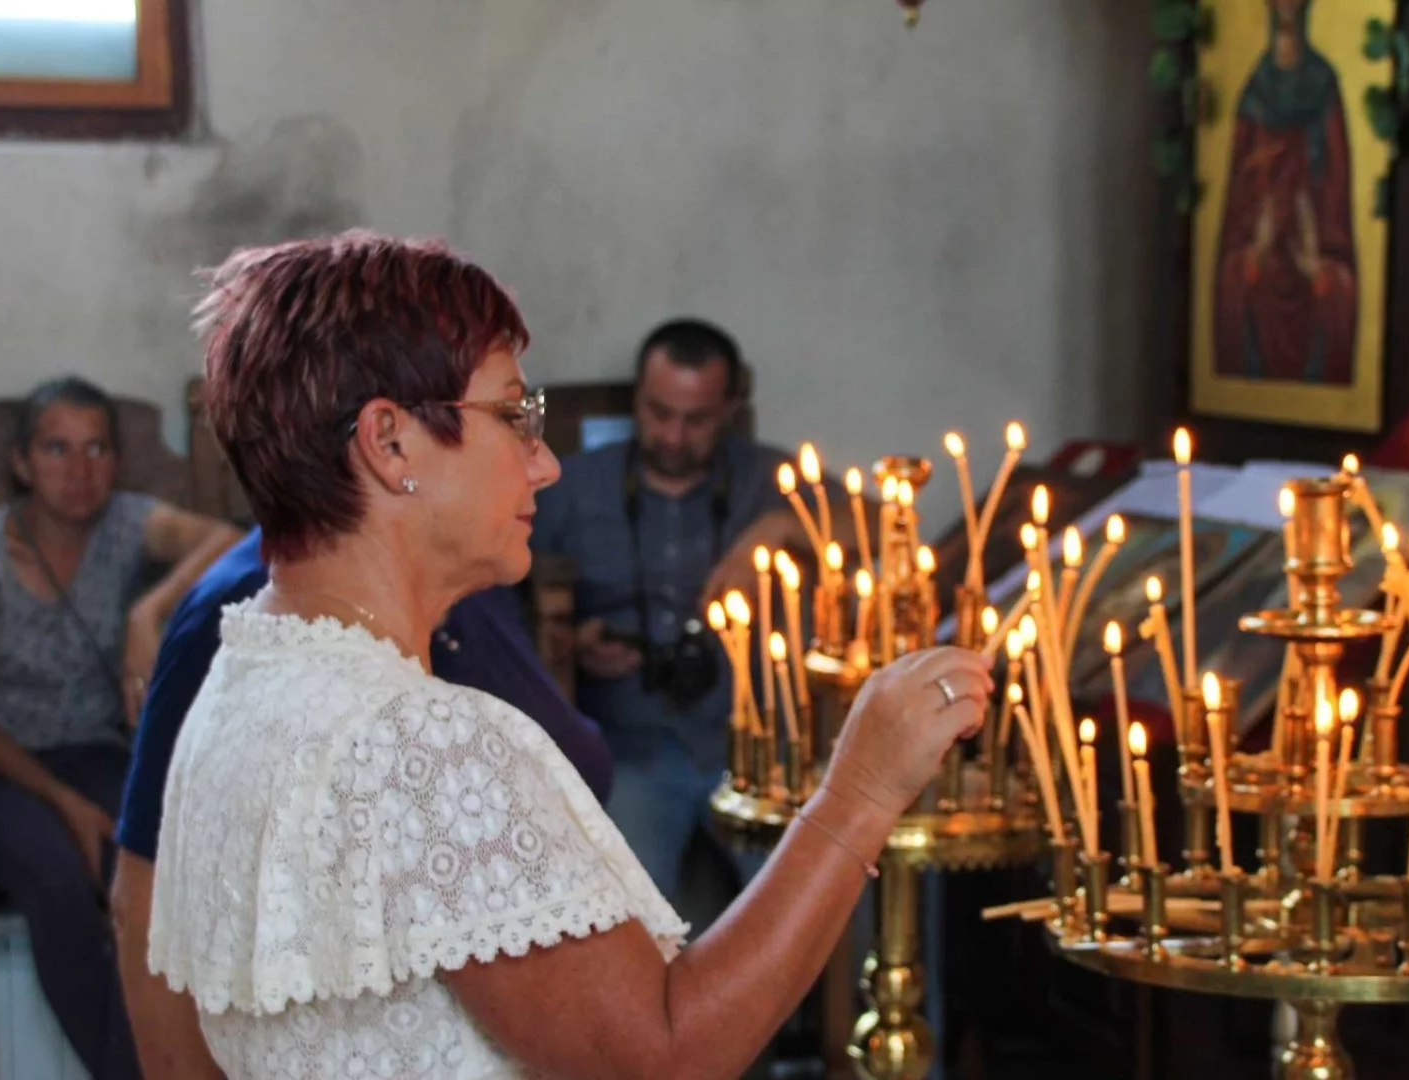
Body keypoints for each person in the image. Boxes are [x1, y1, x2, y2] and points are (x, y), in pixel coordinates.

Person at [149, 231, 989, 1080]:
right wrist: (861, 791)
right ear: (390, 442)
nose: (543, 463)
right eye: (514, 416)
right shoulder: (422, 742)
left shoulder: (240, 676)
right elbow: (663, 1057)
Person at [109, 526, 614, 1080]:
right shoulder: (259, 612)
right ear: (390, 445)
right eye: (514, 433)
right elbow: (144, 896)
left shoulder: (469, 579)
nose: (541, 464)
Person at [0, 377, 242, 1080]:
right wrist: (65, 806)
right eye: (56, 449)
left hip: (97, 750)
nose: (78, 470)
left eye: (96, 449)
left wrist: (148, 612)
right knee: (57, 881)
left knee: (148, 872)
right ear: (23, 463)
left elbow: (230, 540)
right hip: (4, 766)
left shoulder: (125, 523)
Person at [531, 319, 852, 901]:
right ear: (637, 400)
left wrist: (779, 528)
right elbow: (501, 594)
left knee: (819, 899)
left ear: (729, 409)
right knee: (622, 915)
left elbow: (884, 528)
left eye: (697, 419)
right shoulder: (572, 486)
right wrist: (571, 644)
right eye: (659, 413)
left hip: (757, 747)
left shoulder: (767, 478)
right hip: (630, 747)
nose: (674, 435)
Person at [1213, 0, 1358, 384]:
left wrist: (1318, 263)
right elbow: (1237, 207)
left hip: (1310, 246)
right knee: (1236, 284)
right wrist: (1254, 251)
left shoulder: (1324, 86)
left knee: (1336, 291)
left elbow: (1337, 195)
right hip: (1264, 250)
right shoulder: (1254, 93)